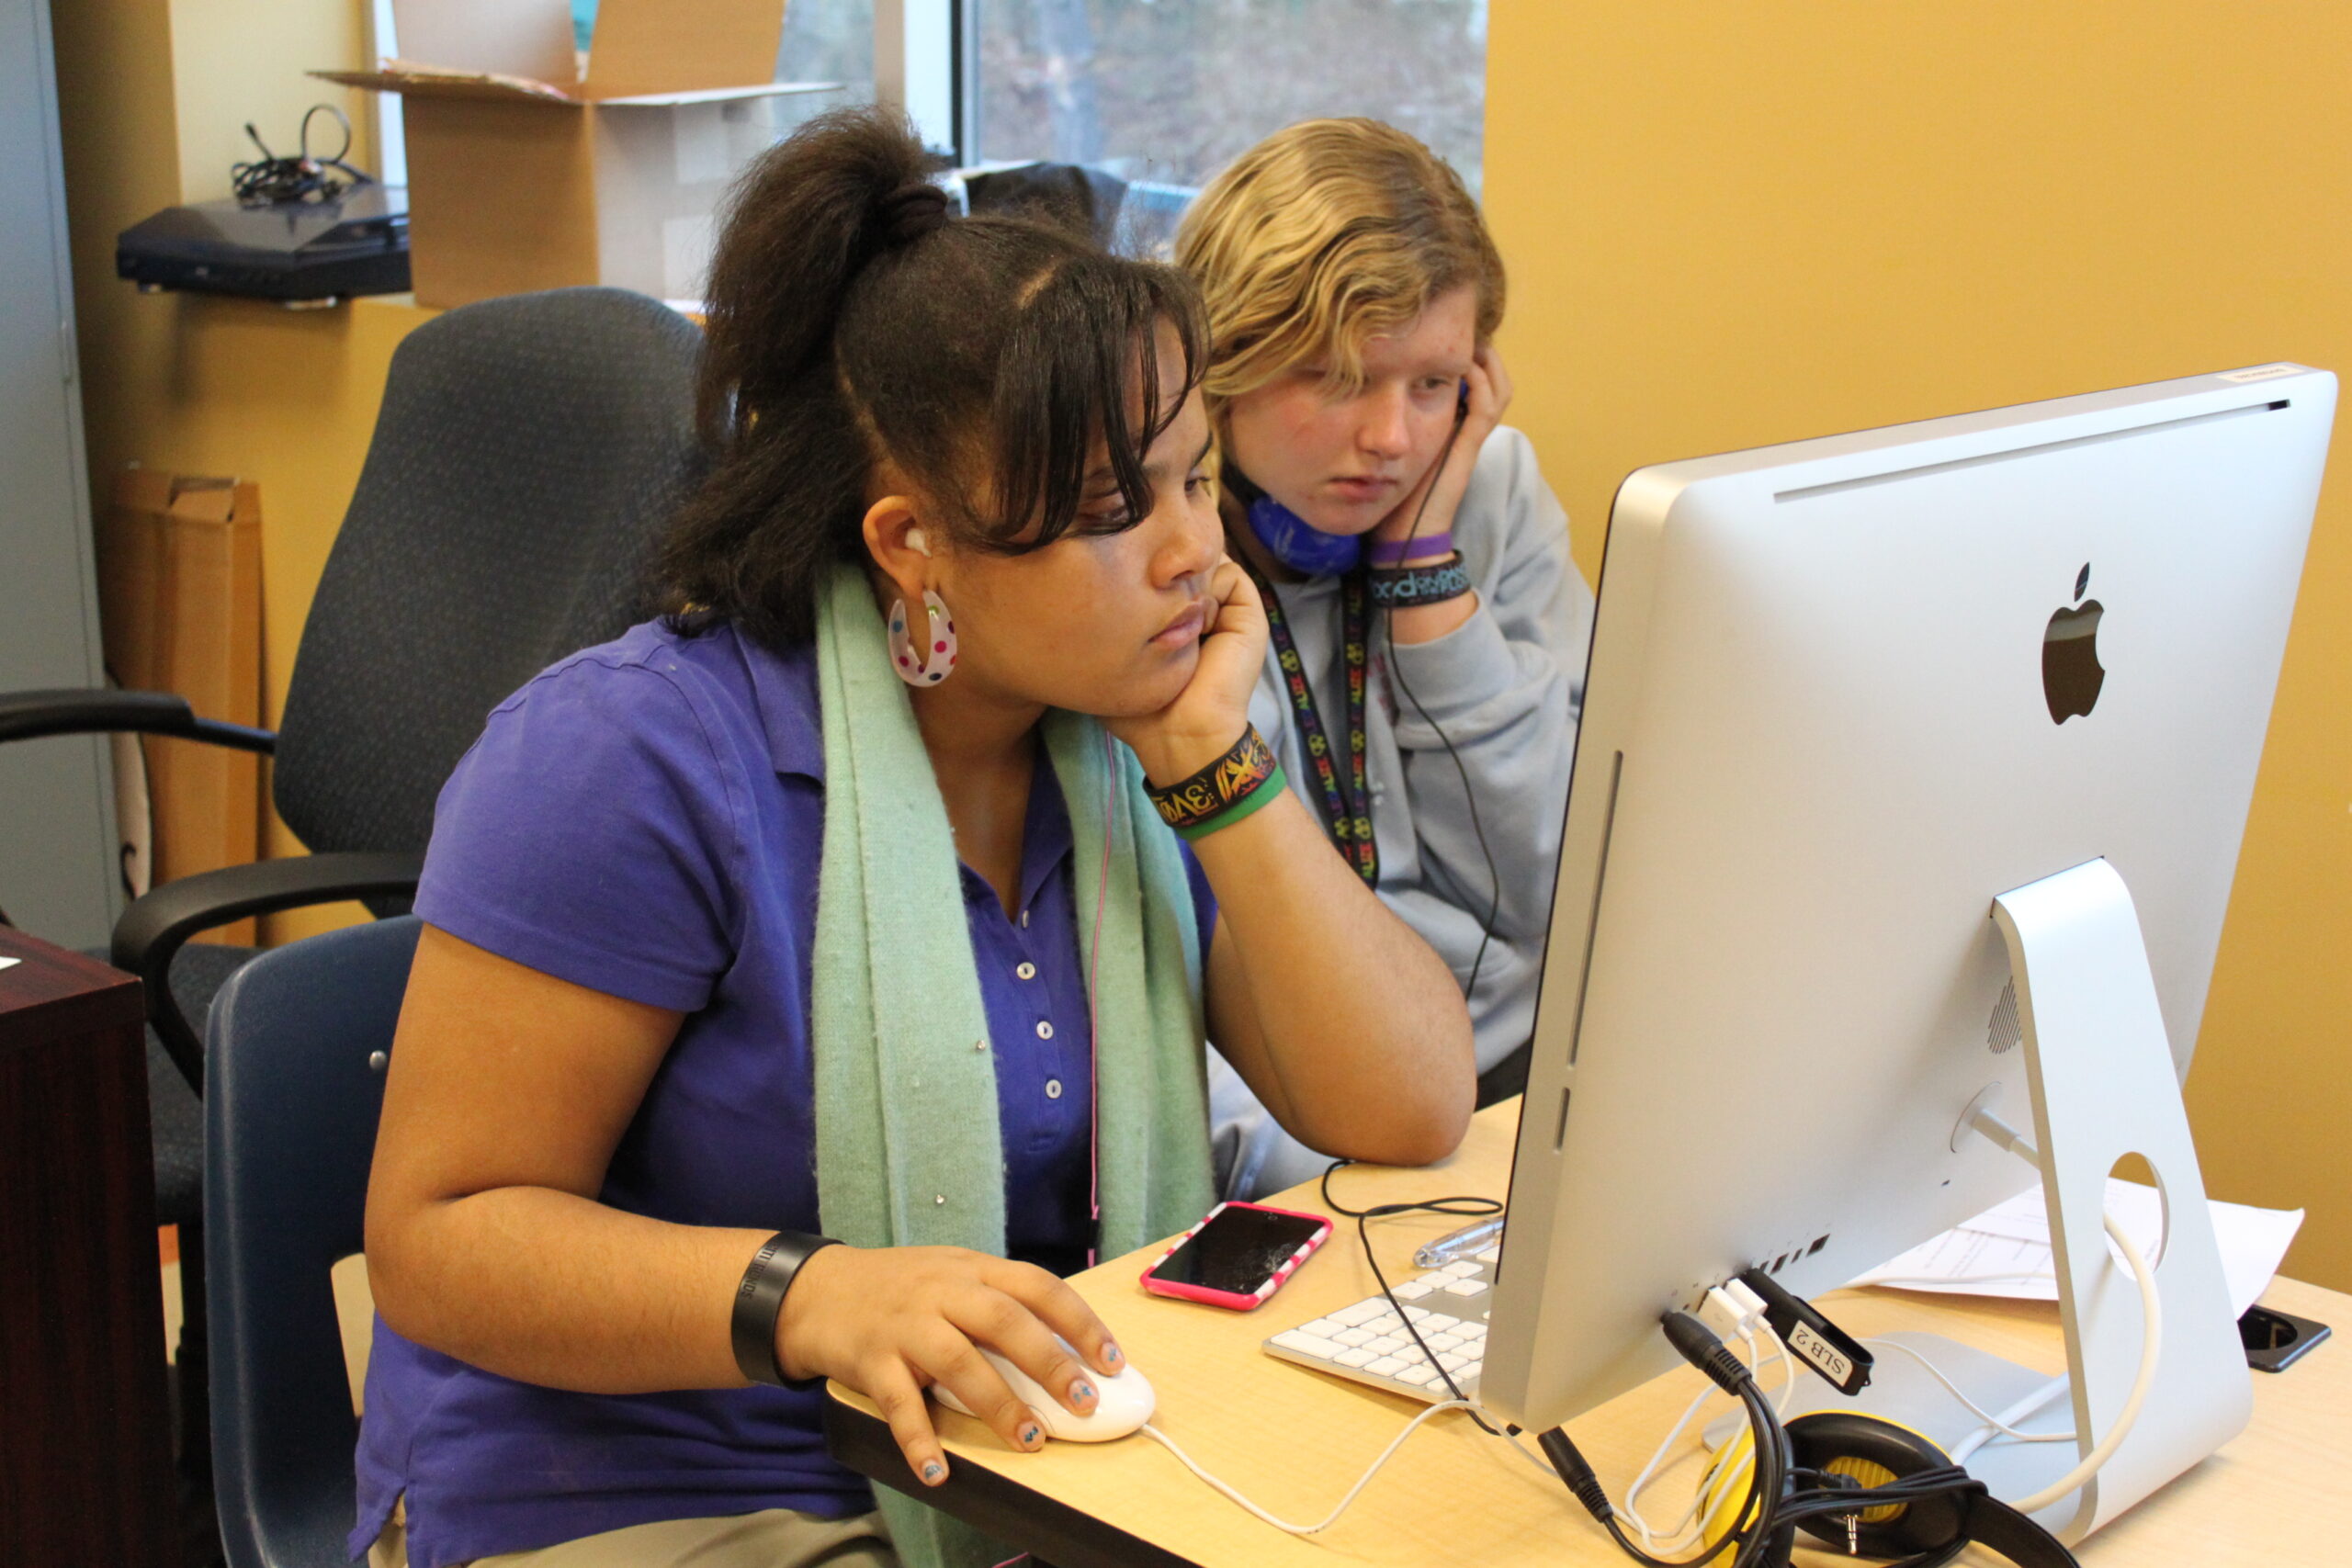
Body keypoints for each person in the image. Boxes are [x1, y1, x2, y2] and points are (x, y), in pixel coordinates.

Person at [353, 108, 1475, 1568]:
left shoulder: (1122, 745)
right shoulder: (630, 759)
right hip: (636, 1484)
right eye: (1105, 510)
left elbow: (1408, 1105)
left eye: (1196, 477)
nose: (1192, 551)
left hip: (1012, 1467)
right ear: (909, 544)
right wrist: (810, 1296)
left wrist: (1217, 766)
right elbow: (440, 1236)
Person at [1173, 118, 1596, 1201]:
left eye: (1432, 382)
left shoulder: (1484, 491)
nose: (1393, 440)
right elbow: (1187, 985)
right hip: (1304, 1136)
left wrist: (1423, 576)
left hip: (1539, 1080)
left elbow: (1561, 880)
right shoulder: (1159, 556)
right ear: (1217, 367)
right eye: (1337, 377)